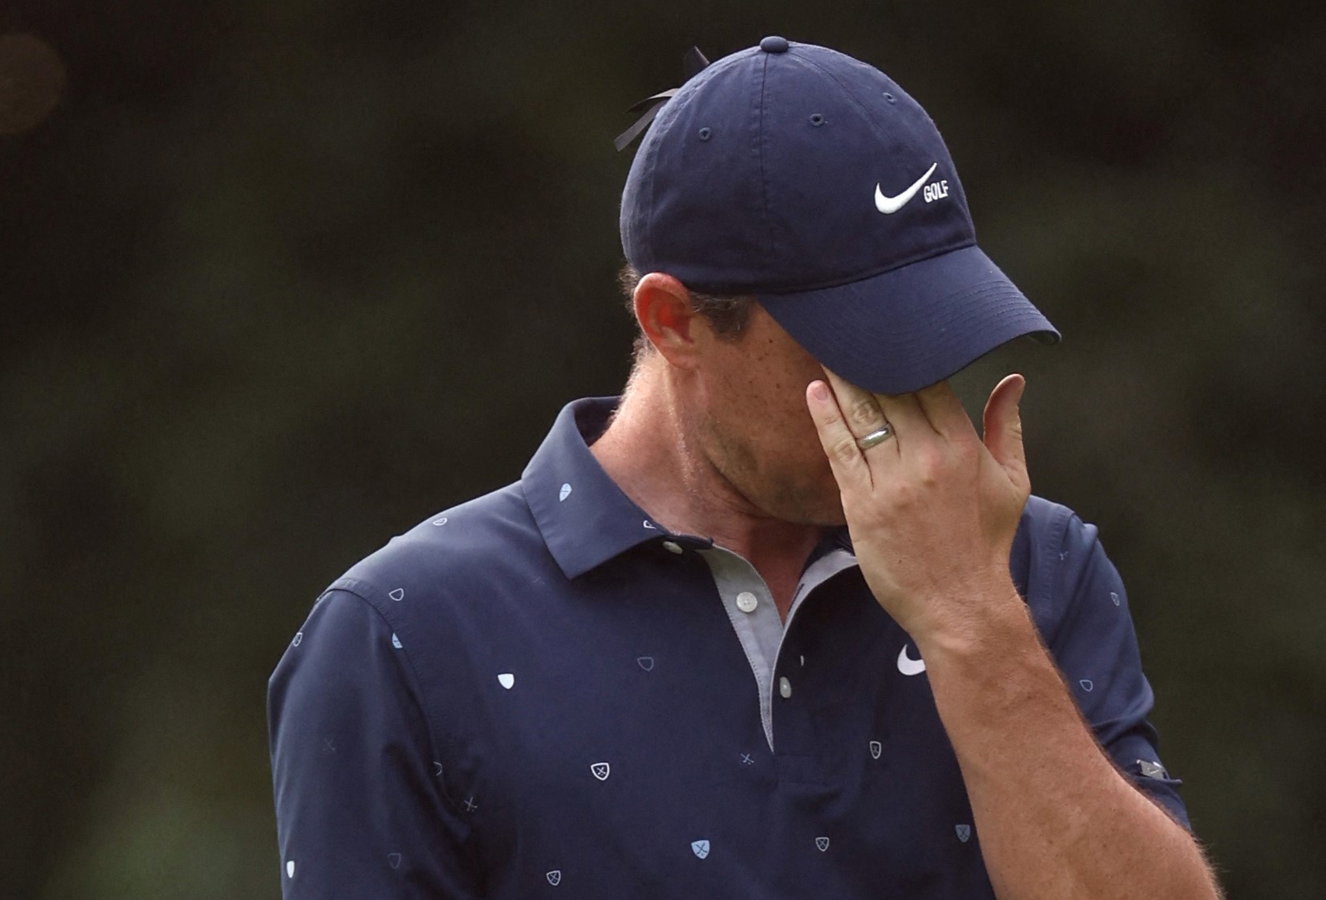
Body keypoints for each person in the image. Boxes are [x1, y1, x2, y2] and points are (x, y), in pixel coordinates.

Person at [269, 37, 1220, 899]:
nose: (910, 390)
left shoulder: (1029, 564)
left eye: (936, 333)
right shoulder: (402, 635)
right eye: (855, 346)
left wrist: (972, 617)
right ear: (673, 322)